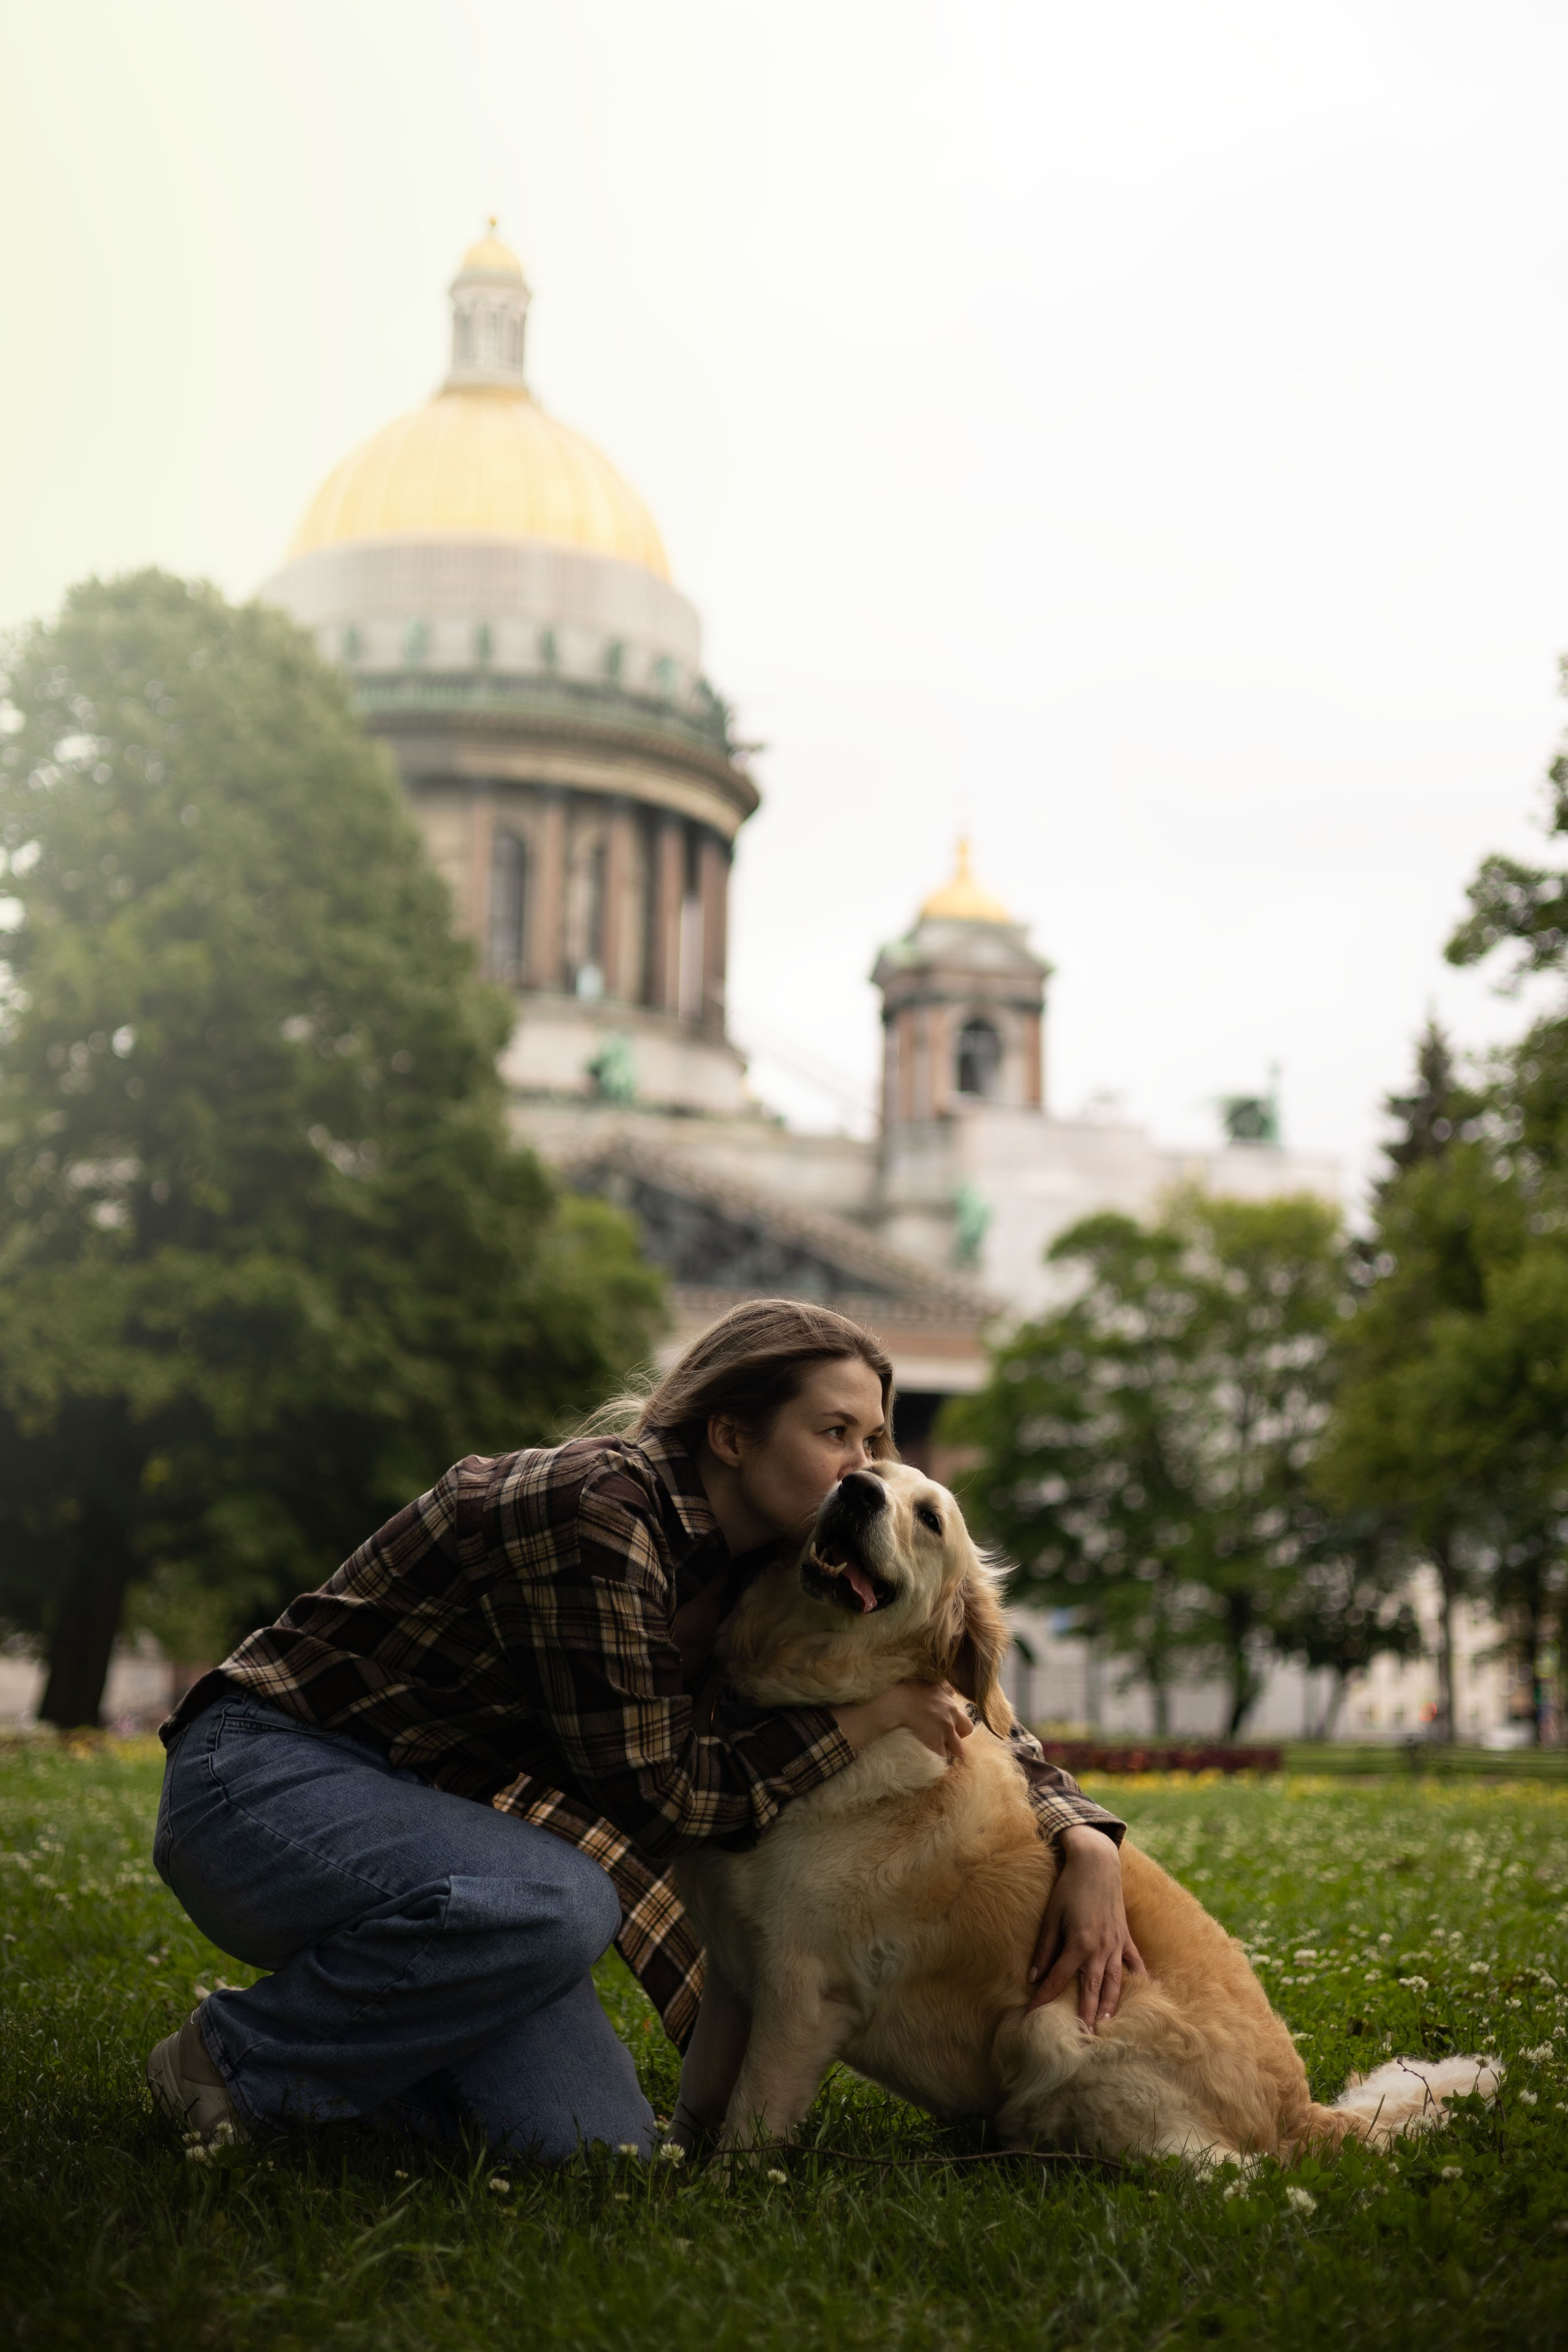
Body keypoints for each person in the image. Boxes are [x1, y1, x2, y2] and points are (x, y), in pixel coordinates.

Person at [147, 1300, 1139, 2162]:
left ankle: (349, 2066)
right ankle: (234, 2062)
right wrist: (866, 1719)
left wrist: (1086, 1836)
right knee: (560, 1901)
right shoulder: (594, 1513)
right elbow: (667, 1800)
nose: (866, 1471)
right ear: (732, 1436)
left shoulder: (766, 1555)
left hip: (439, 1826)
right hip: (265, 1782)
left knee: (590, 2145)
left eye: (873, 1441)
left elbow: (965, 1692)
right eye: (836, 1434)